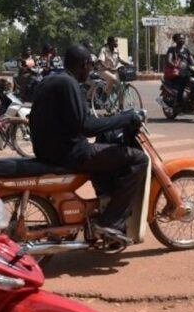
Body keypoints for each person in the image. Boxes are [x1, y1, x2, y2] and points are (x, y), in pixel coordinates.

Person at [29, 44, 148, 240]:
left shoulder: (51, 79)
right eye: (91, 66)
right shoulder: (69, 84)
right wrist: (125, 118)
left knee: (104, 147)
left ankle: (104, 204)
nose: (91, 71)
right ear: (84, 64)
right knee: (139, 159)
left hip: (47, 150)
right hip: (69, 154)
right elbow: (87, 126)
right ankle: (109, 221)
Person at [164, 33, 194, 109]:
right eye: (180, 39)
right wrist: (176, 66)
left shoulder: (187, 50)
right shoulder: (172, 50)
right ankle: (179, 102)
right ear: (175, 40)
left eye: (183, 38)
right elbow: (169, 61)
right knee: (184, 81)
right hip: (176, 73)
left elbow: (193, 61)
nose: (182, 40)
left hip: (186, 72)